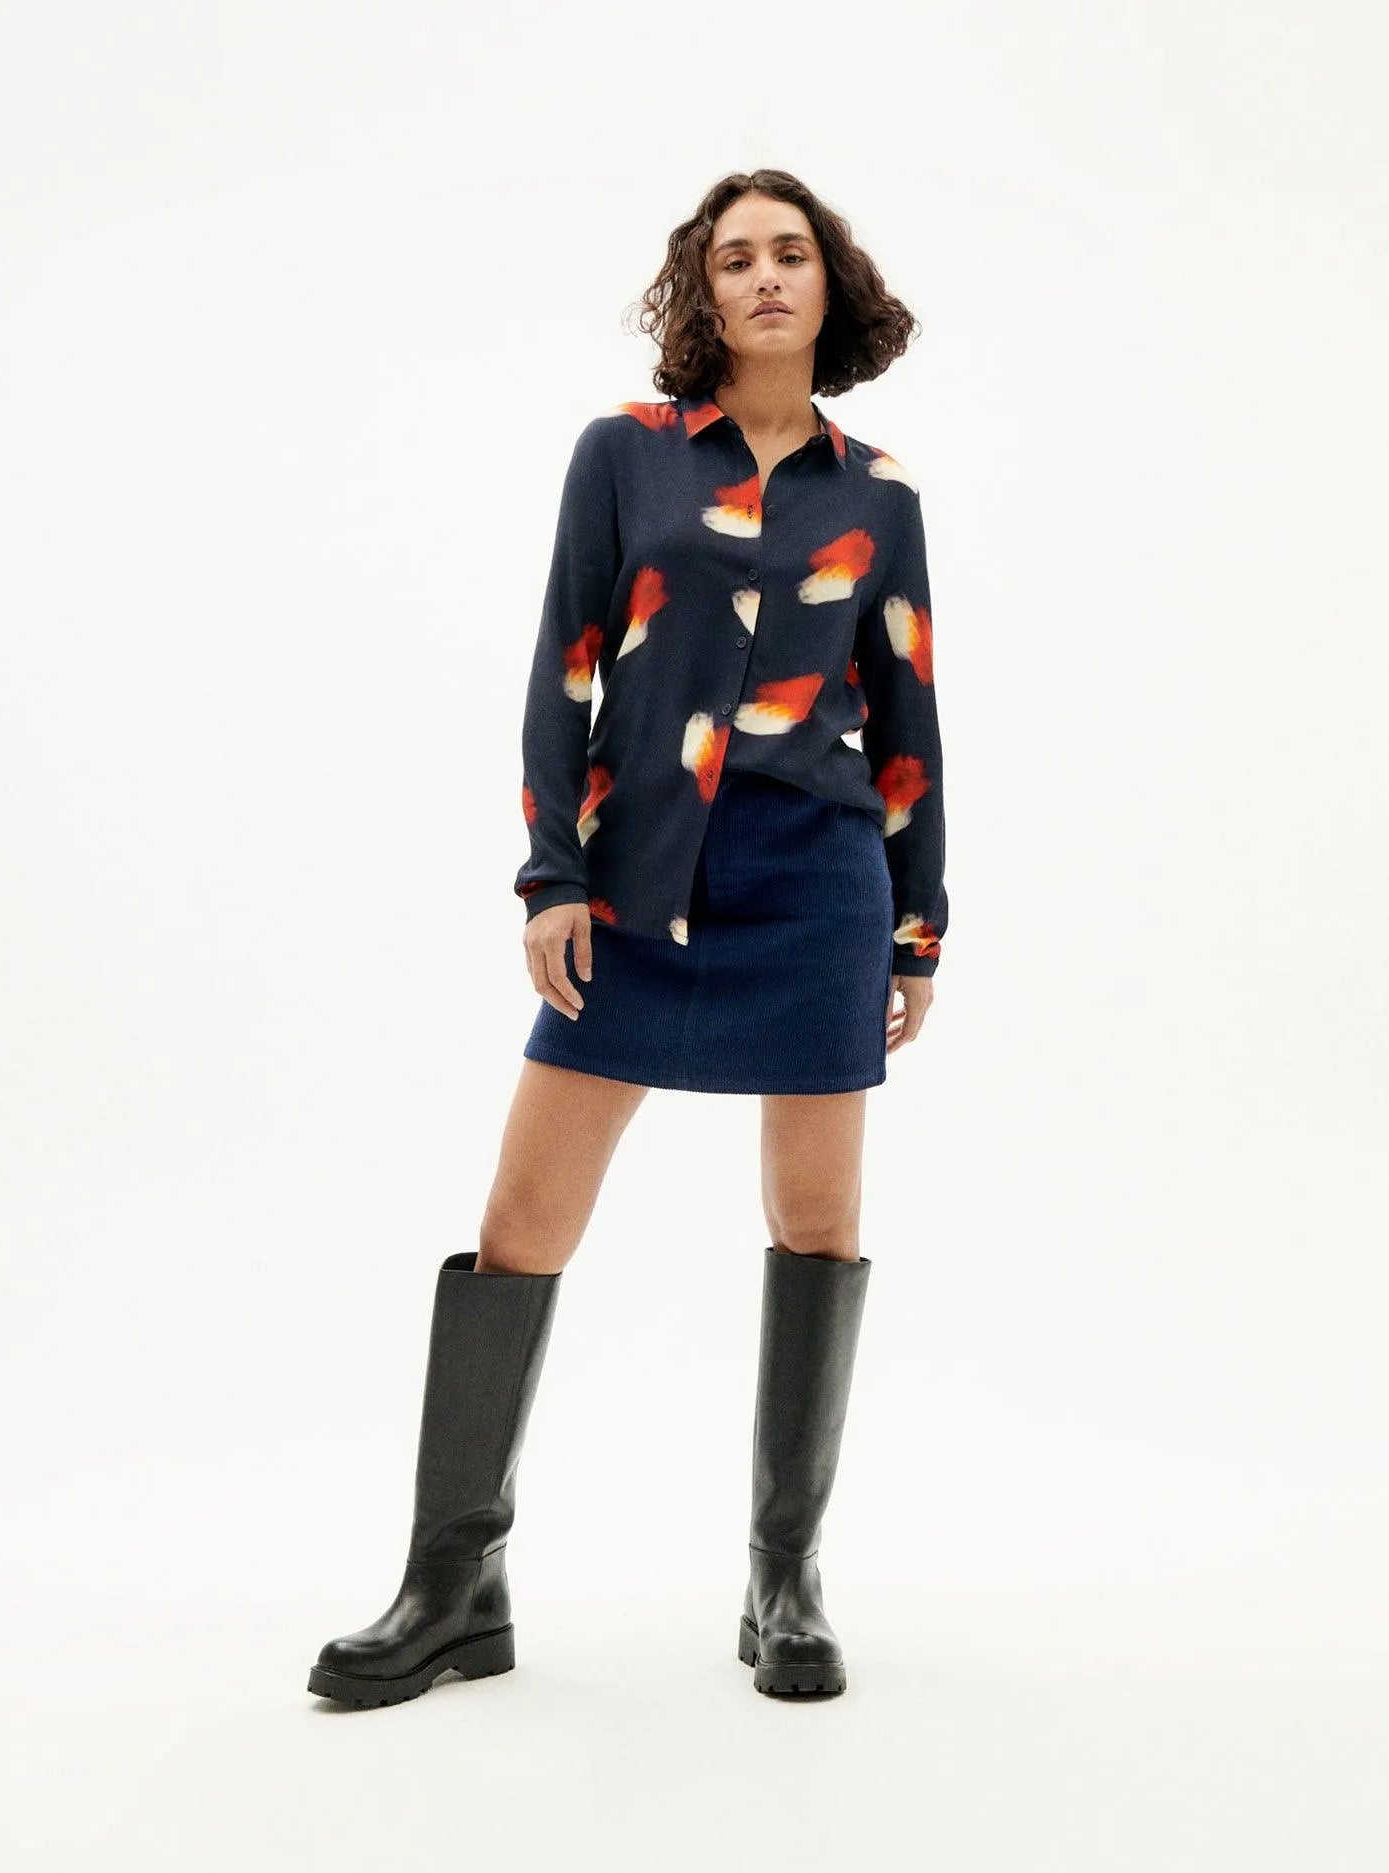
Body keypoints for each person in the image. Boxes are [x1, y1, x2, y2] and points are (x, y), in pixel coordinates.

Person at [307, 167, 949, 1709]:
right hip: (640, 876)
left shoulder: (881, 496)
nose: (766, 276)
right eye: (736, 258)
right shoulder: (625, 454)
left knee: (817, 1221)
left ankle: (783, 1580)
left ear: (830, 283)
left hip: (817, 885)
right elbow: (564, 666)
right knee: (523, 1220)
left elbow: (908, 714)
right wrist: (553, 876)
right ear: (702, 292)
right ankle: (453, 1581)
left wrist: (916, 927)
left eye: (791, 252)